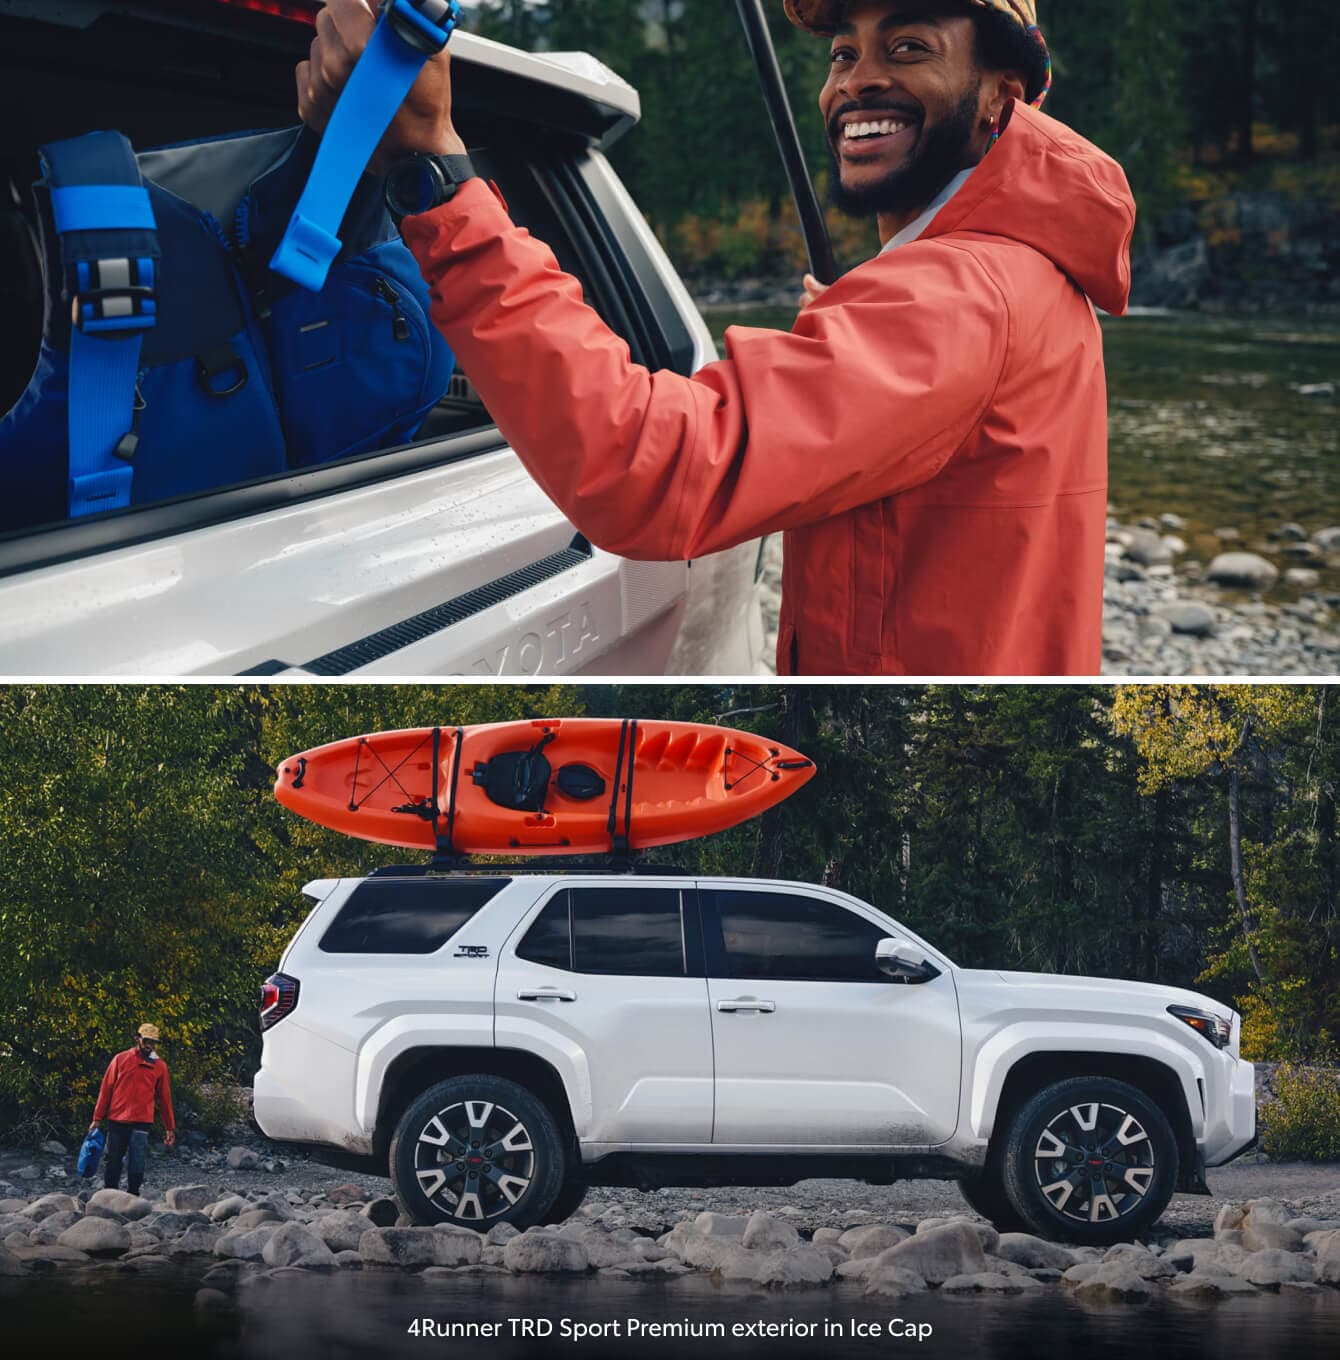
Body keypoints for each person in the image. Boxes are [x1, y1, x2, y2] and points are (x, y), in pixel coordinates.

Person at [297, 0, 1135, 676]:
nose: (858, 80)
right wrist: (865, 324)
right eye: (844, 53)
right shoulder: (1020, 269)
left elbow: (649, 469)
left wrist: (438, 182)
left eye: (909, 47)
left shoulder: (958, 296)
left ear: (999, 97)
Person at [88, 1023, 176, 1198]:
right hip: (117, 1119)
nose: (149, 1045)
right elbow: (105, 1090)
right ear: (138, 1039)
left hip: (142, 1121)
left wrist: (169, 1127)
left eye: (153, 1042)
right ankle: (110, 1196)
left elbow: (164, 1099)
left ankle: (133, 1197)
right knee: (113, 1159)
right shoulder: (120, 1059)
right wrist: (97, 1118)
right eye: (146, 1040)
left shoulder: (160, 1066)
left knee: (137, 1160)